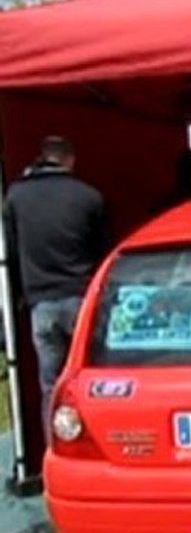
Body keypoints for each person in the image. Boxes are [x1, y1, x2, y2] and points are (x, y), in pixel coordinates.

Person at [2, 136, 109, 440]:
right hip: (81, 300)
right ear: (70, 159)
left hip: (41, 304)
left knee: (50, 384)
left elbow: (9, 250)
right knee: (91, 380)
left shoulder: (16, 196)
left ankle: (56, 447)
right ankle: (94, 443)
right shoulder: (89, 197)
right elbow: (104, 252)